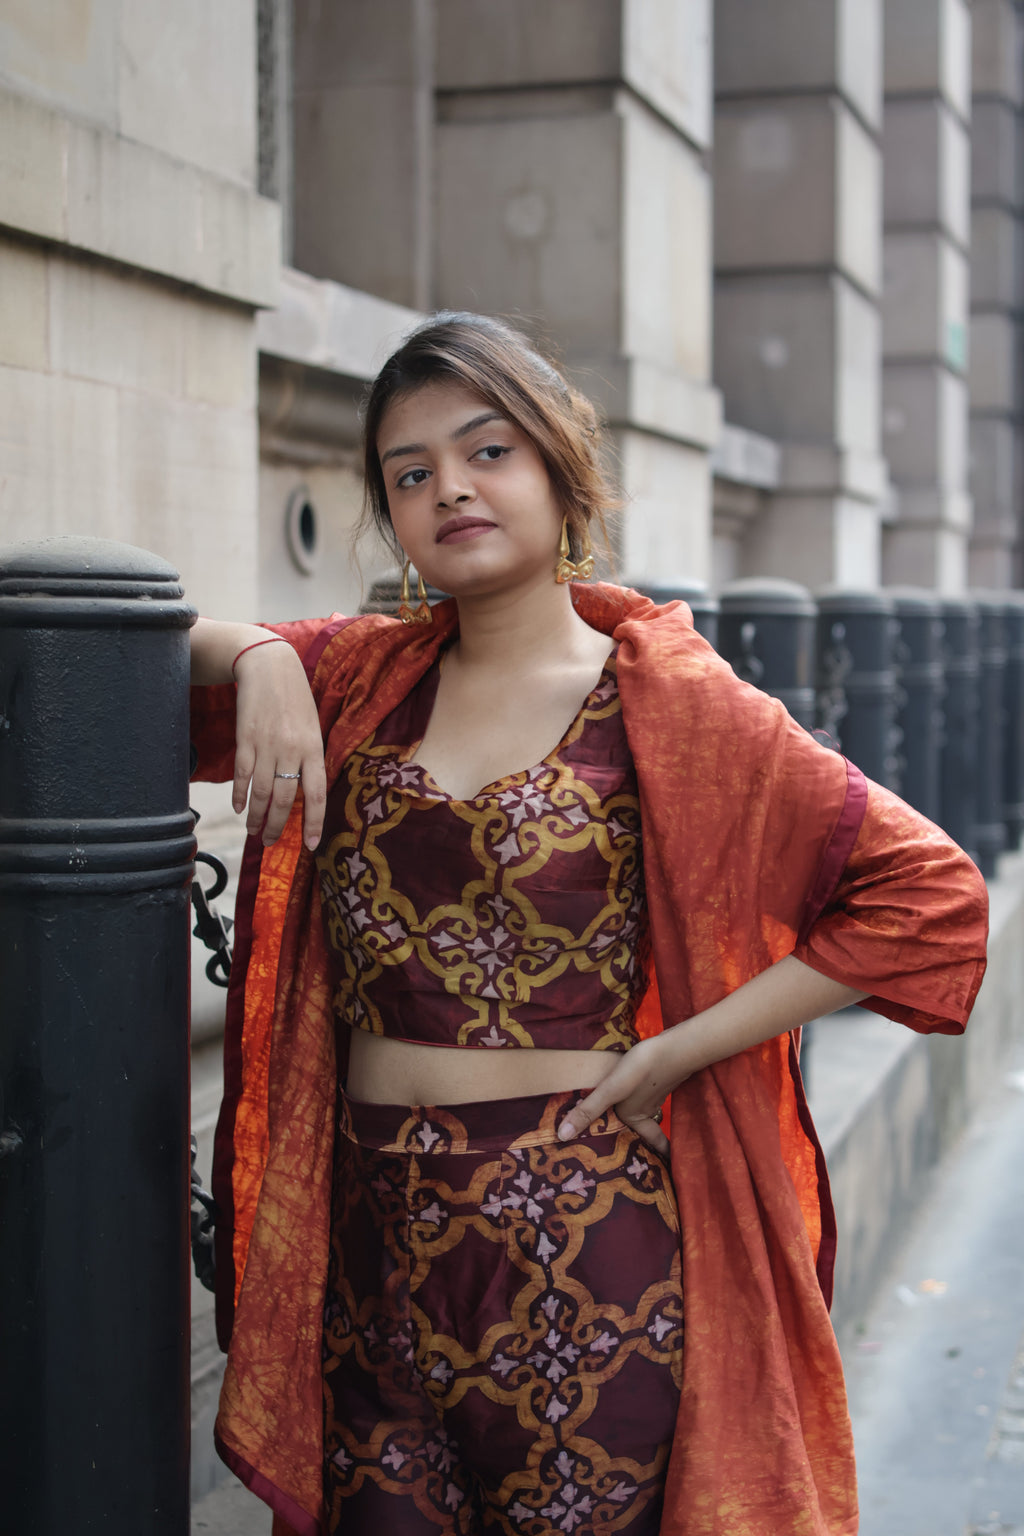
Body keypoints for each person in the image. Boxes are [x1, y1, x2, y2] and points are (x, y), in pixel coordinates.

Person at [188, 313, 988, 1536]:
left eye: (486, 450)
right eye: (410, 473)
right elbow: (88, 641)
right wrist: (255, 656)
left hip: (581, 1235)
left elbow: (928, 900)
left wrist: (683, 1048)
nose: (449, 486)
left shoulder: (668, 699)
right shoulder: (357, 677)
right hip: (369, 1238)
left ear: (561, 468)